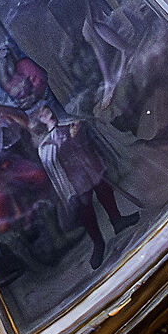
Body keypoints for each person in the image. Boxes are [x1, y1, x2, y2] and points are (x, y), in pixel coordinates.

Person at [30, 103, 139, 268]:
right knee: (85, 208)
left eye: (47, 110)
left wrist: (76, 133)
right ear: (40, 121)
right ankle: (98, 243)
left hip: (90, 166)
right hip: (75, 178)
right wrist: (68, 139)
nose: (48, 113)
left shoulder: (68, 124)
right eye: (43, 114)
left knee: (104, 190)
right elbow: (54, 160)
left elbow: (83, 140)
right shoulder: (46, 145)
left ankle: (117, 220)